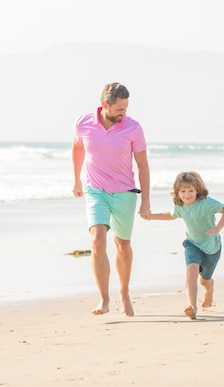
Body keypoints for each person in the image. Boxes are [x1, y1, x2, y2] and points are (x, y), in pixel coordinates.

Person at [72, 82, 151, 317]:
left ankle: (124, 293)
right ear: (104, 105)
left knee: (123, 245)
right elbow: (77, 148)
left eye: (126, 109)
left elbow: (143, 164)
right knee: (97, 241)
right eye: (119, 109)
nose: (123, 113)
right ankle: (104, 299)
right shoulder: (83, 123)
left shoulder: (133, 128)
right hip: (96, 190)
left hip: (125, 192)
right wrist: (76, 179)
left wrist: (145, 201)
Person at [148, 171, 224, 319]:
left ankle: (209, 289)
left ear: (197, 190)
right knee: (191, 271)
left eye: (191, 191)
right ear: (177, 192)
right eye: (183, 191)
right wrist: (151, 216)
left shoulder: (206, 202)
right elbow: (170, 215)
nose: (187, 195)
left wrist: (217, 228)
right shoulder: (180, 206)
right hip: (192, 244)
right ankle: (192, 306)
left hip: (212, 247)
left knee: (204, 280)